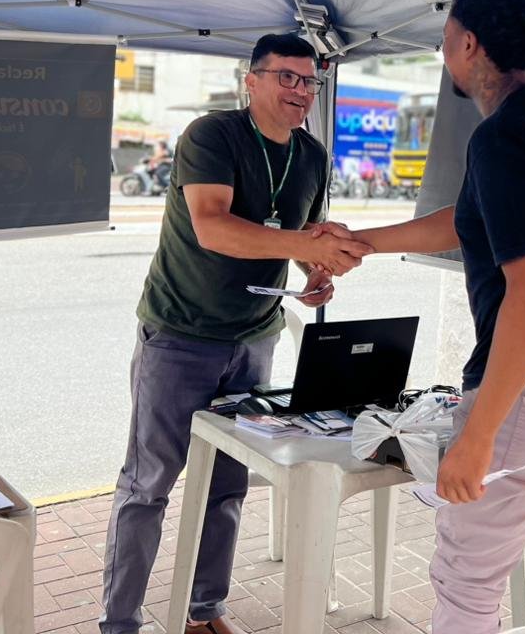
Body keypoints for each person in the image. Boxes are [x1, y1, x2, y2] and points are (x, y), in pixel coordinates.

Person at [321, 0, 525, 634]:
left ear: (467, 42)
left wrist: (478, 435)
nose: (442, 49)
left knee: (465, 580)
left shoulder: (505, 137)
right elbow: (467, 220)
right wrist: (363, 243)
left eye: (445, 35)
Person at [99, 33, 372, 634]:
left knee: (227, 482)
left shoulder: (312, 156)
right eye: (286, 77)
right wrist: (305, 244)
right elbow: (213, 227)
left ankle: (204, 611)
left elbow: (302, 234)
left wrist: (315, 271)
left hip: (255, 339)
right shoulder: (212, 135)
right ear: (251, 81)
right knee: (149, 483)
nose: (301, 90)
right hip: (180, 334)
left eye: (310, 80)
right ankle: (119, 622)